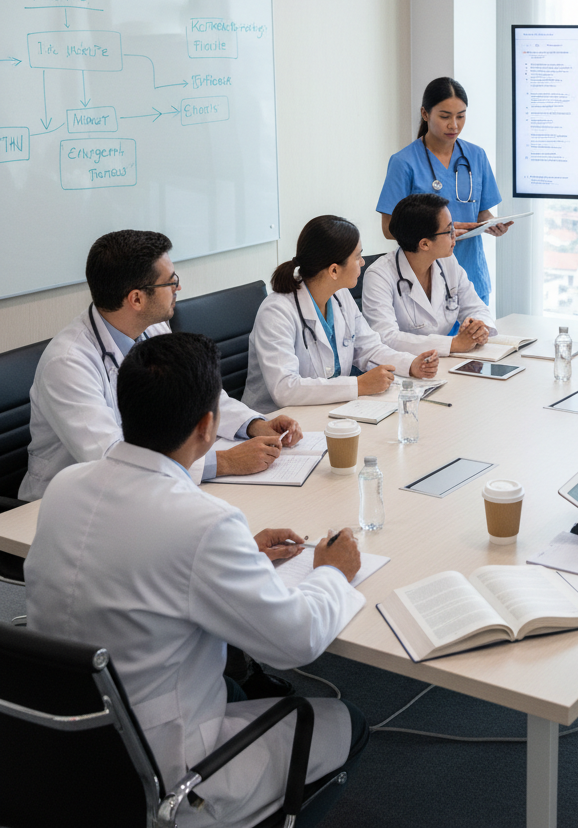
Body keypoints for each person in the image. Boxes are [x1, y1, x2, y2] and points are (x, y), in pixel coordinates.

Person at [25, 333, 368, 828]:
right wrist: (333, 572)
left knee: (238, 686)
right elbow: (298, 640)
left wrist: (240, 557)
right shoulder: (203, 521)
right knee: (343, 721)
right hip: (165, 777)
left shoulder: (64, 486)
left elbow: (140, 561)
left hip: (69, 745)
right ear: (209, 427)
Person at [21, 229, 297, 502]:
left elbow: (198, 394)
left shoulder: (152, 329)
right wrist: (224, 462)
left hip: (141, 491)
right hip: (66, 507)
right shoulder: (68, 363)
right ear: (137, 299)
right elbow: (111, 458)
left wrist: (255, 424)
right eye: (170, 281)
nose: (178, 288)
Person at [243, 215, 439, 411]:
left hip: (329, 410)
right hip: (277, 421)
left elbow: (369, 348)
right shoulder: (276, 312)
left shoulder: (340, 296)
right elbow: (285, 389)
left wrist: (411, 364)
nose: (363, 262)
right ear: (334, 271)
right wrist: (358, 385)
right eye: (357, 256)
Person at [376, 76, 510, 304]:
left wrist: (492, 224)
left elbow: (480, 214)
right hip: (424, 280)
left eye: (461, 116)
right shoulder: (404, 162)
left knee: (479, 337)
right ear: (425, 114)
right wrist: (439, 232)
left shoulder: (476, 157)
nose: (454, 125)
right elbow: (389, 228)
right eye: (445, 116)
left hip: (471, 275)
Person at [361, 193, 496, 357]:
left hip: (439, 364)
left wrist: (478, 327)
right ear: (424, 243)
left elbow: (476, 307)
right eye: (448, 231)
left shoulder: (447, 262)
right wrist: (453, 344)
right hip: (401, 372)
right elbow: (386, 338)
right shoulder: (379, 275)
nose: (455, 235)